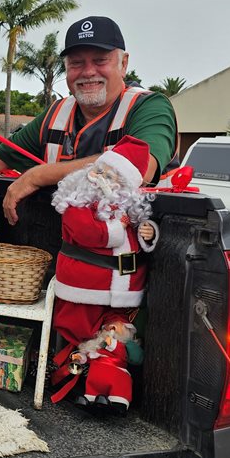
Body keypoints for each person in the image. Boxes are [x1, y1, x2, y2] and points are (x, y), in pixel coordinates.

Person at [0, 16, 177, 223]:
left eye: (100, 61)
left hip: (139, 255)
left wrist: (37, 176)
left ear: (123, 64)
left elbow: (139, 168)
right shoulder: (57, 112)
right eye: (76, 63)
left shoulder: (149, 107)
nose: (88, 72)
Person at [47, 136, 159, 416]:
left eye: (111, 176)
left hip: (125, 290)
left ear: (126, 188)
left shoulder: (126, 209)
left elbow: (138, 235)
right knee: (83, 332)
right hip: (85, 288)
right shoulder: (76, 202)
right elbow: (89, 234)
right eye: (100, 171)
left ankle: (106, 389)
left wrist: (148, 233)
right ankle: (86, 380)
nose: (101, 179)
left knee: (115, 336)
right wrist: (117, 229)